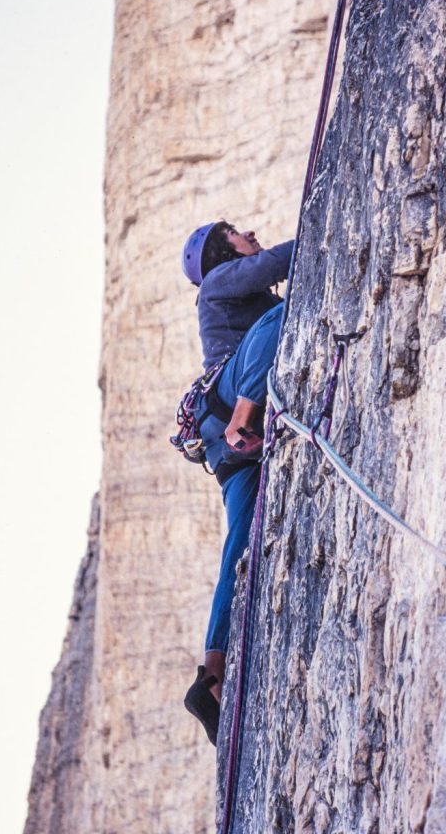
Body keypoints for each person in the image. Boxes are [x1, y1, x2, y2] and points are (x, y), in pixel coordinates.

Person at [180, 220, 294, 746]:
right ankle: (248, 416)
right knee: (279, 317)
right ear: (223, 253)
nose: (250, 231)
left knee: (239, 546)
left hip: (230, 455)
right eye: (237, 232)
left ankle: (211, 673)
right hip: (231, 405)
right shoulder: (220, 283)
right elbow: (278, 264)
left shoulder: (226, 288)